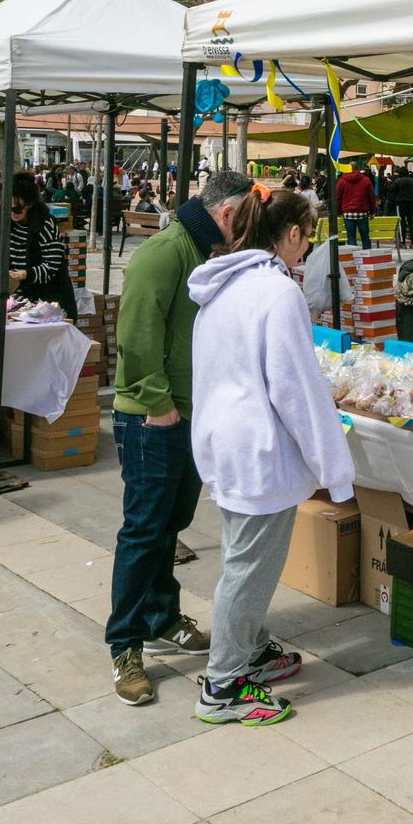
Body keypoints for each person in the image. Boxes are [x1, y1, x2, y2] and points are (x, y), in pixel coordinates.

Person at [188, 188, 354, 725]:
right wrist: (334, 467)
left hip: (224, 438)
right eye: (308, 236)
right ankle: (222, 683)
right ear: (292, 234)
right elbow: (297, 390)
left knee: (245, 558)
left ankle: (250, 648)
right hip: (256, 446)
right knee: (249, 567)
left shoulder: (224, 283)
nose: (307, 247)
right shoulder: (275, 292)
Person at [106, 169, 253, 706]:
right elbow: (135, 336)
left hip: (193, 413)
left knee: (172, 524)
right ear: (228, 214)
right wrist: (159, 405)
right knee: (143, 530)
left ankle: (161, 616)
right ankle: (124, 643)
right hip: (154, 417)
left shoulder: (208, 251)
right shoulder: (164, 253)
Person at [0, 174, 76, 319]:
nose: (12, 214)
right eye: (7, 208)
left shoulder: (44, 223)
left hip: (48, 296)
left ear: (29, 204)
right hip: (17, 297)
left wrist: (27, 273)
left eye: (17, 209)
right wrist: (2, 271)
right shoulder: (0, 221)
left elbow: (53, 264)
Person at [336, 158, 377, 249]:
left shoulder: (342, 181)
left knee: (351, 237)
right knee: (365, 237)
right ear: (358, 168)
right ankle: (367, 256)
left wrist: (339, 211)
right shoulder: (366, 180)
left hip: (348, 213)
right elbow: (371, 197)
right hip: (362, 212)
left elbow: (338, 197)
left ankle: (353, 257)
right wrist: (372, 212)